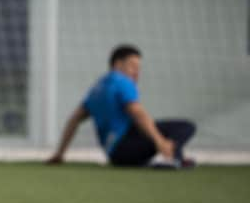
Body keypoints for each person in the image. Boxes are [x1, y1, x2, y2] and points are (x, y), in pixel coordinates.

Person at [47, 44, 197, 168]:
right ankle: (171, 158)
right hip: (127, 146)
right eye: (133, 66)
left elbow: (73, 120)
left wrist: (60, 154)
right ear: (118, 64)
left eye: (139, 68)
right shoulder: (122, 81)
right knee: (186, 127)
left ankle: (171, 159)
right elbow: (137, 112)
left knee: (150, 133)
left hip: (116, 156)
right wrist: (160, 142)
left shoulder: (97, 88)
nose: (136, 72)